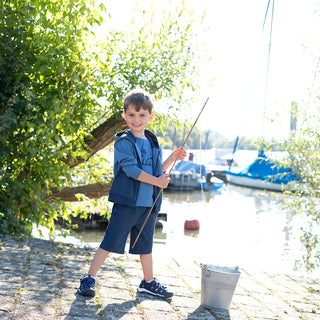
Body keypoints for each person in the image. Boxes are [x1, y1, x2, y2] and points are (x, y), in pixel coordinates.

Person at [78, 88, 187, 299]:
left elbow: (156, 172)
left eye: (142, 115)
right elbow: (131, 170)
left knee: (145, 246)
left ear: (150, 116)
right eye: (132, 115)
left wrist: (172, 158)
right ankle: (89, 278)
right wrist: (157, 180)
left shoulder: (153, 141)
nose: (136, 119)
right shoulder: (123, 141)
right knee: (109, 242)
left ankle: (148, 282)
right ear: (124, 116)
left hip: (148, 204)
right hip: (128, 202)